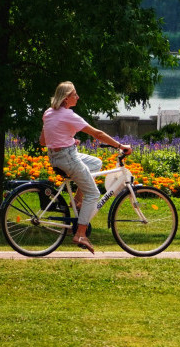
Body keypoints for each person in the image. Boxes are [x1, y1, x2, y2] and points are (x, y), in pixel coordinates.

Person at [39, 81, 131, 254]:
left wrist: (69, 140)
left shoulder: (48, 113)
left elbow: (44, 141)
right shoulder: (68, 115)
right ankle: (80, 234)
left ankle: (78, 203)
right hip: (68, 158)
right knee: (94, 193)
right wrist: (120, 146)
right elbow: (97, 134)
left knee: (96, 163)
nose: (78, 97)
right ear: (66, 99)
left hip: (57, 157)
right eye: (75, 94)